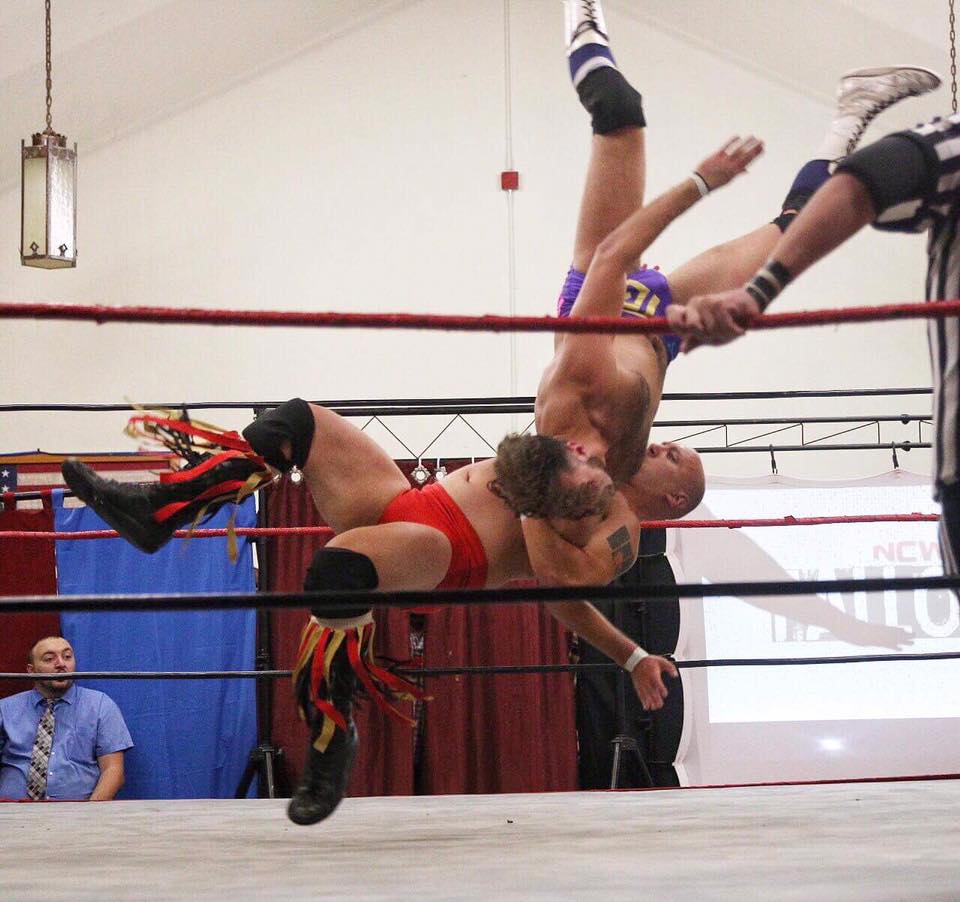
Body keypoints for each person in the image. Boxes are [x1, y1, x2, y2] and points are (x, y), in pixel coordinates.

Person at [61, 402, 678, 825]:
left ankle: (332, 733)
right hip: (408, 500)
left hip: (445, 550)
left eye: (675, 457)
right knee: (296, 422)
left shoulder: (619, 527)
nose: (662, 445)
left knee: (337, 567)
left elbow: (563, 585)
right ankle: (160, 510)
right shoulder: (594, 450)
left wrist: (628, 654)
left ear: (674, 497)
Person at [513, 0, 940, 523]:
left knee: (620, 114)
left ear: (575, 453)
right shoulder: (604, 477)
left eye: (593, 480)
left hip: (608, 290)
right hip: (663, 331)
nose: (606, 485)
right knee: (798, 228)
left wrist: (702, 183)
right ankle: (854, 109)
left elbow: (613, 255)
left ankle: (580, 9)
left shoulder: (574, 393)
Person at [664, 111, 960, 579]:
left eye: (666, 452)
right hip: (638, 315)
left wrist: (701, 184)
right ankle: (846, 121)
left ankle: (847, 121)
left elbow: (608, 253)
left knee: (790, 222)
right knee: (791, 221)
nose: (661, 446)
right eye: (670, 453)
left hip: (632, 310)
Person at [0, 636, 133, 801]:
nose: (61, 664)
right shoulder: (5, 709)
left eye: (67, 656)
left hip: (79, 812)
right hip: (10, 810)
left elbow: (113, 770)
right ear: (31, 670)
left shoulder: (100, 705)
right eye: (49, 659)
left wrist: (90, 812)